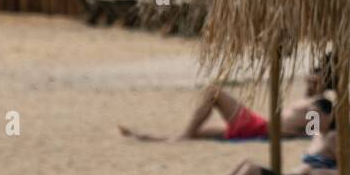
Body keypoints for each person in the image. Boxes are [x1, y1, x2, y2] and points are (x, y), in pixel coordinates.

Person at [119, 58, 335, 142]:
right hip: (258, 128)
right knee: (198, 134)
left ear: (322, 81)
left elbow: (313, 130)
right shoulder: (312, 100)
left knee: (214, 92)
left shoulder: (317, 104)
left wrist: (289, 135)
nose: (307, 79)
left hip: (259, 127)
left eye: (313, 77)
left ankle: (181, 136)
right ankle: (147, 137)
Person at [178, 99, 336, 175]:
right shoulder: (317, 135)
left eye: (315, 116)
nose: (311, 120)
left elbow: (343, 169)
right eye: (309, 116)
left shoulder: (332, 138)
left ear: (329, 116)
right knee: (246, 164)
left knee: (250, 169)